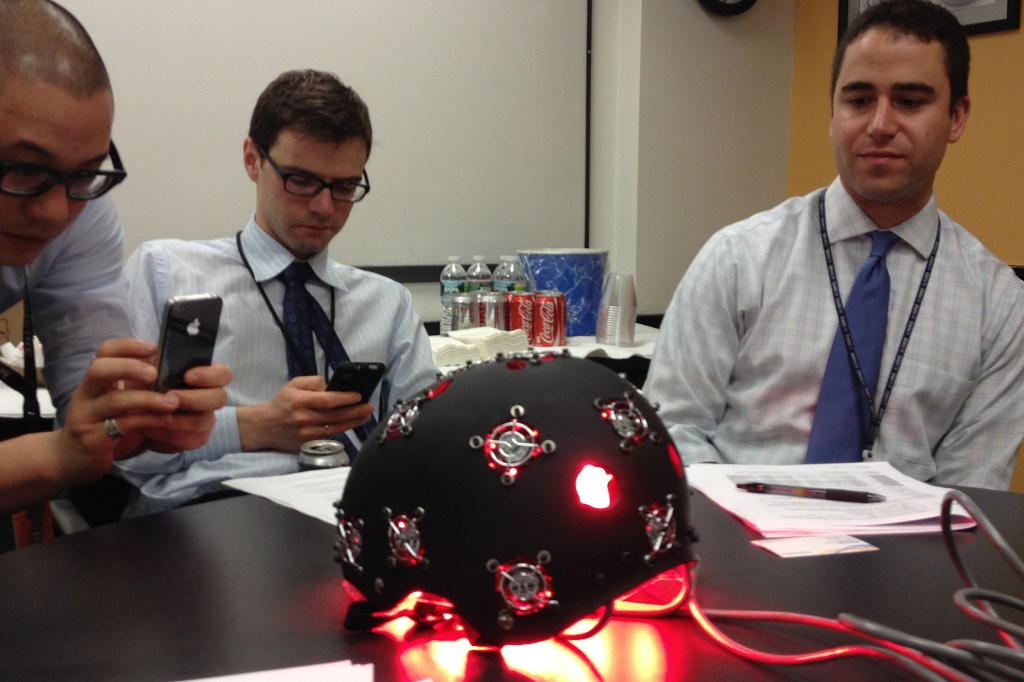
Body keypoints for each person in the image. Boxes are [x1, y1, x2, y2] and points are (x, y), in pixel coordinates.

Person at [644, 0, 1024, 489]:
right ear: (832, 113)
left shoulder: (1000, 306)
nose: (880, 124)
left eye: (910, 101)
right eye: (859, 99)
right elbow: (671, 430)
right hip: (738, 543)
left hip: (906, 559)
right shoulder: (739, 257)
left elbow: (970, 492)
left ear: (956, 117)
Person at [116, 69, 439, 516]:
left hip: (352, 512)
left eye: (344, 187)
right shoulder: (167, 272)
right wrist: (251, 428)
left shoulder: (386, 304)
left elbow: (427, 447)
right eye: (301, 180)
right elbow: (117, 452)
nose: (324, 207)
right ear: (253, 159)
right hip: (207, 513)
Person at [0, 0, 231, 516]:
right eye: (22, 170)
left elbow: (91, 400)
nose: (56, 212)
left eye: (84, 173)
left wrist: (139, 419)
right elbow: (69, 450)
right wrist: (62, 456)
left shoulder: (86, 209)